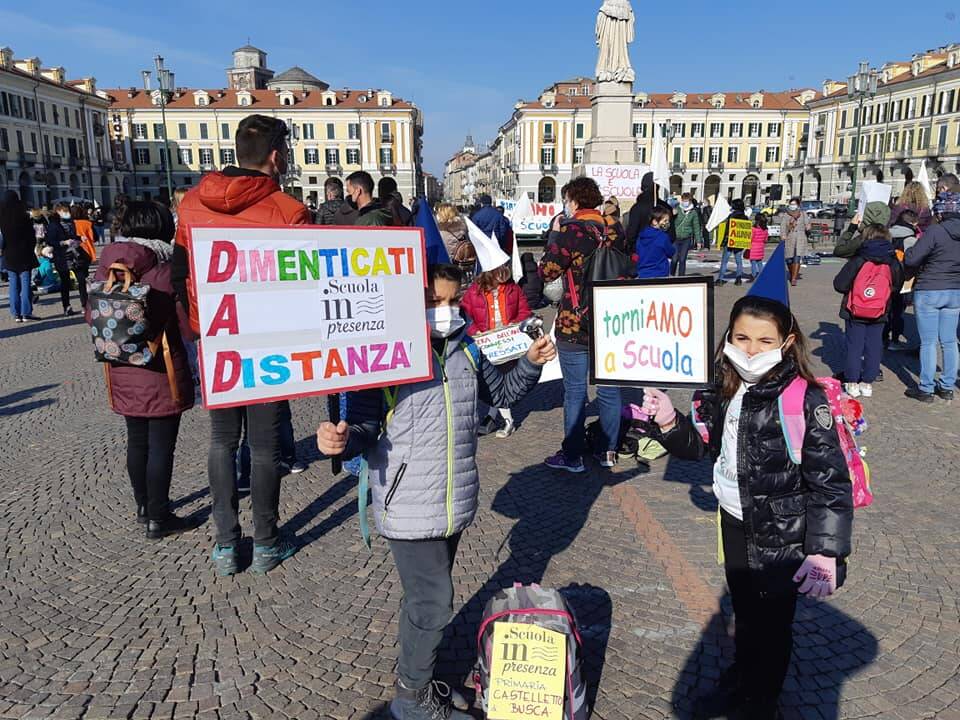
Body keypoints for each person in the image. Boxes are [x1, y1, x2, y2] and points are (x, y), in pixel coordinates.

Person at [316, 263, 556, 720]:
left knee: (424, 599)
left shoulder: (467, 349)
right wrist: (342, 438)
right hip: (407, 500)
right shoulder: (386, 352)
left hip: (452, 497)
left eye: (451, 301)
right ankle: (411, 701)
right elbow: (364, 423)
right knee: (433, 601)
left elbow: (501, 395)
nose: (443, 311)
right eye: (432, 302)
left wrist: (529, 363)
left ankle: (420, 678)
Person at [642, 263, 853, 720]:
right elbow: (702, 449)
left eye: (764, 341)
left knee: (772, 625)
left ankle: (761, 699)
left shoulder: (804, 397)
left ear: (787, 343)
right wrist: (667, 422)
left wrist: (826, 551)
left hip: (784, 531)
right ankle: (741, 677)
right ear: (728, 338)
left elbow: (830, 481)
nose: (751, 349)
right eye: (741, 338)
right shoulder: (723, 387)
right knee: (743, 609)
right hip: (734, 518)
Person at [175, 113, 310, 575]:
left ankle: (227, 543)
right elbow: (306, 286)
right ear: (277, 156)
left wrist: (198, 326)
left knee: (221, 440)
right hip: (269, 340)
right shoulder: (290, 210)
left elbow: (180, 272)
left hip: (217, 336)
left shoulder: (191, 204)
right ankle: (268, 540)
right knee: (265, 445)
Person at [88, 201, 198, 538]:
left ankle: (142, 507)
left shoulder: (107, 265)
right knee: (162, 445)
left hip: (120, 365)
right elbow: (186, 325)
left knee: (137, 441)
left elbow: (90, 313)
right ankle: (159, 516)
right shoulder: (163, 269)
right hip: (159, 368)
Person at [539, 176, 622, 471]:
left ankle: (573, 456)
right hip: (613, 320)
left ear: (573, 201)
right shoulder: (614, 231)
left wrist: (553, 236)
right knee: (610, 390)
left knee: (575, 390)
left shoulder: (571, 231)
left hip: (575, 321)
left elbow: (547, 271)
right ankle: (607, 450)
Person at [461, 261, 531, 438]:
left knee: (500, 382)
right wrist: (474, 331)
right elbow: (466, 315)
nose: (503, 273)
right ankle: (493, 417)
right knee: (489, 381)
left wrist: (516, 325)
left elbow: (524, 311)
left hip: (507, 343)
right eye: (498, 270)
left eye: (505, 269)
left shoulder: (513, 289)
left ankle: (506, 420)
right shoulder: (474, 291)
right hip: (485, 344)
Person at [833, 225, 904, 398]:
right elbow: (898, 285)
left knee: (854, 346)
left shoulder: (859, 258)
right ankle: (867, 382)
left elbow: (840, 284)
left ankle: (852, 382)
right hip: (880, 310)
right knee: (874, 345)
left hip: (854, 309)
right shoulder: (892, 259)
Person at [903, 191, 960, 402]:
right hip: (955, 290)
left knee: (928, 342)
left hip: (930, 288)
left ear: (941, 212)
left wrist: (909, 249)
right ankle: (947, 386)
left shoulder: (935, 231)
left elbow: (912, 259)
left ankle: (926, 388)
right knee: (950, 340)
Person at [0, 190, 39, 321]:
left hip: (10, 255)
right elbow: (32, 238)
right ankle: (26, 312)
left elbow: (1, 241)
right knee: (26, 283)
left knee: (13, 285)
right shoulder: (25, 218)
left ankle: (15, 313)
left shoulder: (2, 220)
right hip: (24, 255)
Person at [885, 209, 920, 349]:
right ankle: (894, 340)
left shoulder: (886, 234)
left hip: (885, 277)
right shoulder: (911, 240)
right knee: (898, 311)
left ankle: (882, 338)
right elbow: (914, 262)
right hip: (904, 280)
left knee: (885, 309)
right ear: (913, 223)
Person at [45, 202, 81, 315]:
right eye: (65, 211)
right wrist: (63, 242)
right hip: (61, 256)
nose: (67, 213)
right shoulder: (53, 225)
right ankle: (67, 306)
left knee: (81, 279)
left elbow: (75, 235)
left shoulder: (72, 223)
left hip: (74, 254)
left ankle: (84, 304)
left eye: (68, 211)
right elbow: (51, 241)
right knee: (65, 281)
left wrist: (78, 239)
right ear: (58, 212)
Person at [778, 197, 811, 286]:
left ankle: (793, 278)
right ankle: (792, 273)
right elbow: (783, 226)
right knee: (789, 259)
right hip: (790, 237)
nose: (792, 206)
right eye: (791, 204)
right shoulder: (786, 215)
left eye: (794, 204)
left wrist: (808, 227)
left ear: (798, 205)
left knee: (797, 258)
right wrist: (783, 235)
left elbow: (807, 223)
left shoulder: (803, 214)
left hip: (800, 237)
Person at [635, 206, 675, 279]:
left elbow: (638, 252)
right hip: (660, 273)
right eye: (665, 221)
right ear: (654, 221)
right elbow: (671, 252)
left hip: (643, 273)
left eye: (668, 221)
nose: (667, 223)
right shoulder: (663, 237)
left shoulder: (641, 236)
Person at [671, 192, 703, 276]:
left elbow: (696, 227)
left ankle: (681, 278)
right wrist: (672, 215)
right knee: (674, 259)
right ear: (681, 200)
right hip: (676, 238)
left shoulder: (693, 213)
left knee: (682, 259)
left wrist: (698, 241)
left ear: (690, 201)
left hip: (686, 238)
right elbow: (669, 223)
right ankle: (671, 275)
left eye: (687, 200)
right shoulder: (677, 209)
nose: (685, 202)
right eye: (684, 200)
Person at [717, 199, 748, 286]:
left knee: (724, 261)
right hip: (739, 242)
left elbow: (727, 230)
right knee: (738, 261)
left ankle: (720, 279)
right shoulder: (745, 217)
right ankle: (738, 279)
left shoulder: (732, 216)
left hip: (730, 241)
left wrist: (723, 241)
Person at [71, 204, 97, 305]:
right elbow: (94, 238)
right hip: (86, 251)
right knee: (84, 275)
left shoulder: (69, 224)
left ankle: (81, 301)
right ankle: (85, 301)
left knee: (79, 276)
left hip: (72, 252)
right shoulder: (87, 223)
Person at [749, 213, 770, 280]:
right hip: (761, 247)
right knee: (759, 262)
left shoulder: (753, 229)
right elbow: (766, 240)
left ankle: (753, 275)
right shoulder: (765, 230)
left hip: (753, 247)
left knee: (753, 263)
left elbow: (751, 238)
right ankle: (761, 275)